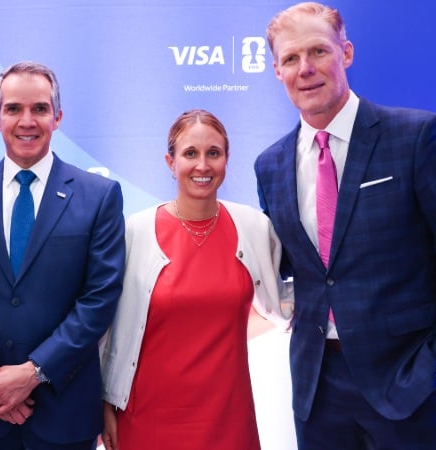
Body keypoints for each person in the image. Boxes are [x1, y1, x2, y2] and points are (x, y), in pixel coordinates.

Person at [254, 3, 436, 449]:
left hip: (411, 385)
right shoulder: (269, 165)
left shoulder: (417, 137)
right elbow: (293, 269)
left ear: (346, 53)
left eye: (318, 51)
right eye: (291, 58)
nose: (305, 68)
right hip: (317, 392)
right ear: (277, 70)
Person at [0, 61, 126, 450]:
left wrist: (34, 373)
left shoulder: (98, 196)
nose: (27, 121)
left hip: (65, 412)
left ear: (58, 117)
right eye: (13, 109)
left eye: (39, 108)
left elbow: (99, 299)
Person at [100, 109, 293, 450]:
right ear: (170, 162)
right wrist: (103, 402)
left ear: (227, 159)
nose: (202, 166)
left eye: (213, 153)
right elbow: (107, 329)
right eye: (190, 153)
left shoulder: (253, 227)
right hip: (147, 419)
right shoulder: (135, 232)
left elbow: (285, 295)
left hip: (228, 419)